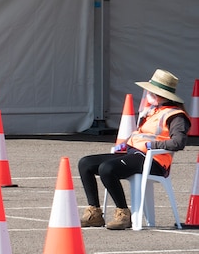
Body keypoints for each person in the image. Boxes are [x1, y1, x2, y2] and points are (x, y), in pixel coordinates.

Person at [77, 69, 190, 229]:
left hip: (154, 161)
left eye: (150, 91)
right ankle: (94, 212)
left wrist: (154, 146)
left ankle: (123, 213)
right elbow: (142, 135)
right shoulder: (152, 111)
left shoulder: (176, 116)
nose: (147, 93)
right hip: (134, 154)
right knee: (86, 163)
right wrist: (127, 144)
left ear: (159, 93)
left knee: (107, 168)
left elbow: (178, 143)